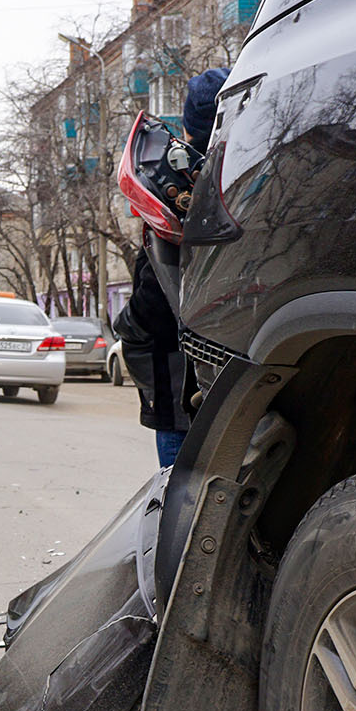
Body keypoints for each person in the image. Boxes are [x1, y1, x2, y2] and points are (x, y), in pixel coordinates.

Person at [116, 66, 229, 467]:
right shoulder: (240, 171)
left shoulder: (184, 182)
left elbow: (157, 294)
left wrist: (129, 326)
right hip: (219, 358)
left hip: (177, 365)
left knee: (181, 488)